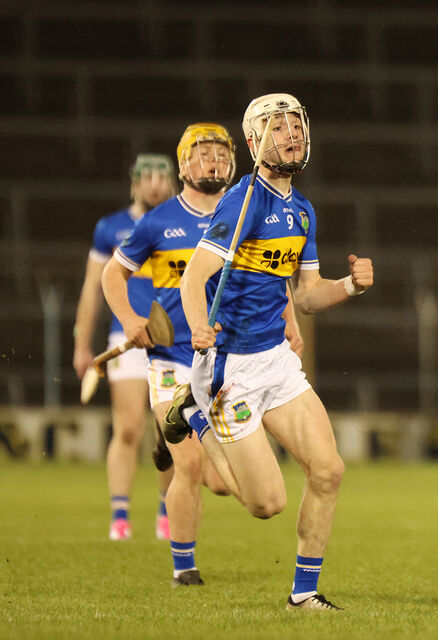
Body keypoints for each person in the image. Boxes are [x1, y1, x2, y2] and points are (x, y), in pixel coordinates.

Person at [166, 93, 373, 610]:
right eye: (277, 126)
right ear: (255, 141)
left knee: (329, 471)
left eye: (295, 123)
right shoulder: (242, 203)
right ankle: (195, 415)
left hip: (276, 359)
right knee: (267, 505)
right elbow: (194, 279)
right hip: (230, 366)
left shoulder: (302, 211)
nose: (291, 133)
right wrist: (196, 326)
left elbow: (304, 295)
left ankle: (303, 596)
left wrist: (349, 286)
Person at [101, 123, 261, 586]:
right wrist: (131, 321)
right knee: (190, 465)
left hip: (227, 363)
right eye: (203, 153)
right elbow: (113, 277)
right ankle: (184, 568)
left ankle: (164, 445)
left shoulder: (245, 215)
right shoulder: (157, 221)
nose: (213, 161)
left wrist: (288, 321)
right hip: (171, 361)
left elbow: (267, 275)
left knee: (220, 481)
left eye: (220, 153)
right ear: (184, 164)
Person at [73, 153, 176, 541]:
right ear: (133, 184)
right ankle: (120, 515)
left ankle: (167, 510)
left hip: (171, 339)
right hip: (126, 339)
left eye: (162, 177)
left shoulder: (180, 222)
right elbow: (91, 289)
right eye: (146, 177)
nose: (154, 184)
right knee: (129, 427)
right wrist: (82, 343)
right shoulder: (110, 229)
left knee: (167, 429)